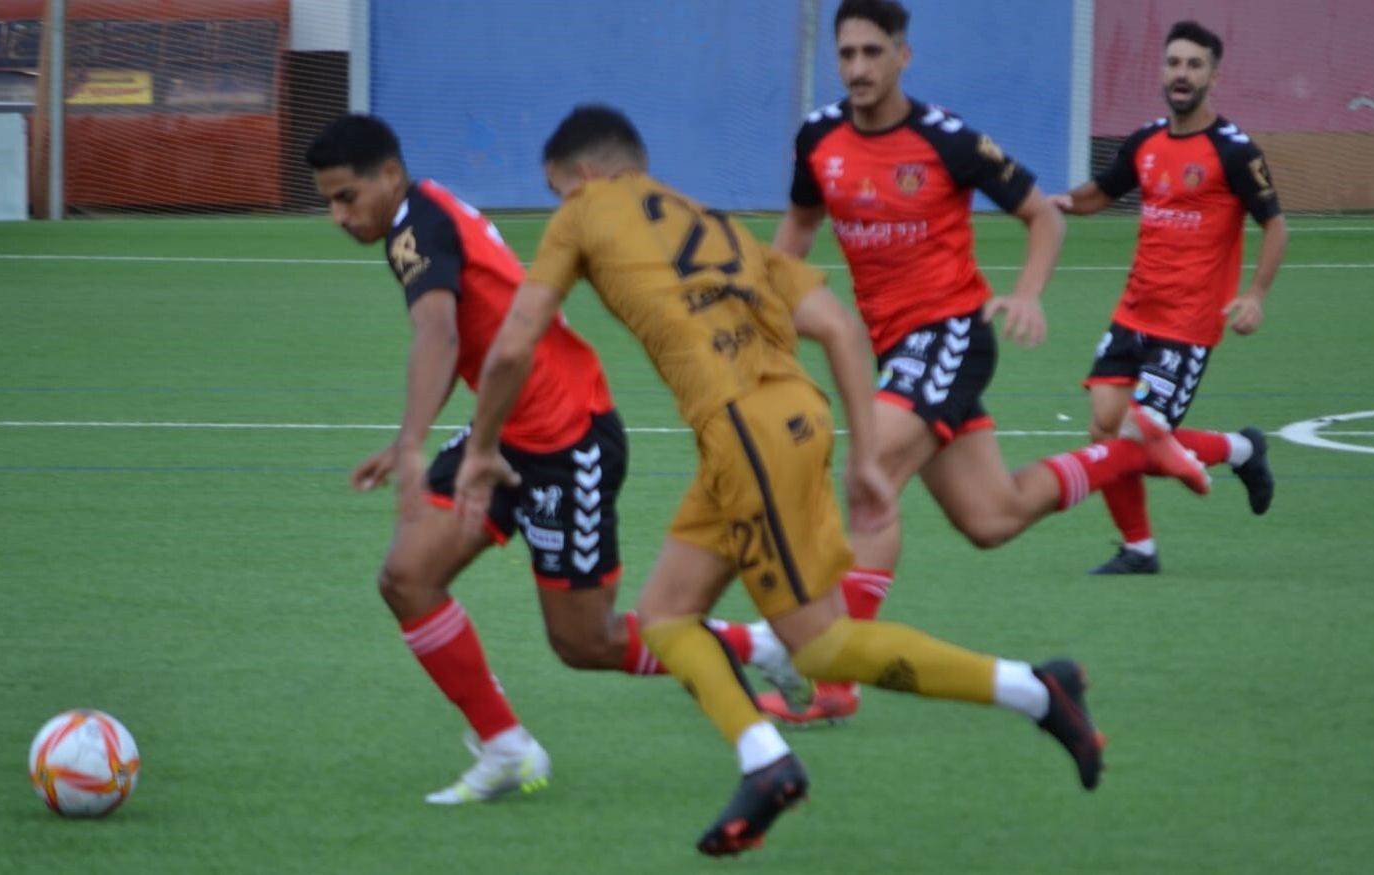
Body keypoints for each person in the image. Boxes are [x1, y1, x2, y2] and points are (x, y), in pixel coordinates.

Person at [454, 104, 1108, 857]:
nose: (560, 206)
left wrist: (480, 449)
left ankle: (1036, 690)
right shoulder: (720, 226)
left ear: (585, 175)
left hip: (746, 433)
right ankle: (766, 762)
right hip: (779, 421)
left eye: (558, 190)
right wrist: (863, 453)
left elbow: (509, 351)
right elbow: (837, 327)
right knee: (667, 616)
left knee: (823, 647)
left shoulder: (584, 212)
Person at [755, 0, 1210, 726]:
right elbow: (802, 225)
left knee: (870, 481)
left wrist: (1027, 294)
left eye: (874, 52)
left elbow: (1044, 214)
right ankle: (1126, 452)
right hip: (897, 348)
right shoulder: (820, 136)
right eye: (846, 55)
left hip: (950, 337)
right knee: (990, 517)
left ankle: (837, 677)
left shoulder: (949, 140)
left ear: (904, 56)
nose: (859, 68)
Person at [305, 114, 776, 805]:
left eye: (346, 197)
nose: (337, 215)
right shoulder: (421, 212)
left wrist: (410, 445)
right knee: (407, 576)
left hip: (567, 438)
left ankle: (760, 647)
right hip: (506, 432)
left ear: (389, 176)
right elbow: (460, 333)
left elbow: (435, 332)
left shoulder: (416, 226)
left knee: (585, 642)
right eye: (327, 201)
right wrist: (415, 436)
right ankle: (505, 746)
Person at [1052, 20, 1285, 574]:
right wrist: (1055, 203)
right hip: (1133, 312)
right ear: (1162, 71)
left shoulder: (1233, 150)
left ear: (1214, 76)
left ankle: (1239, 453)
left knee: (1137, 439)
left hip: (1188, 322)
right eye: (1174, 63)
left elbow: (1275, 225)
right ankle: (1142, 547)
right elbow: (1100, 193)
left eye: (1194, 65)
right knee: (1105, 430)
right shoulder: (1147, 140)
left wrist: (1255, 294)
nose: (1182, 74)